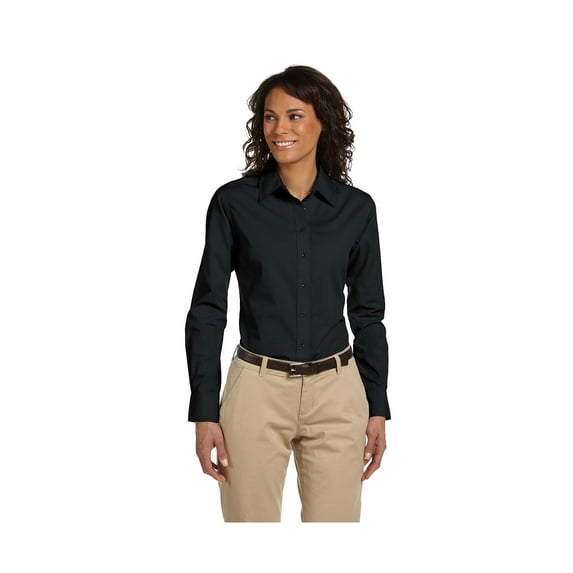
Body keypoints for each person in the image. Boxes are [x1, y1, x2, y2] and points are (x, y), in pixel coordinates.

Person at [184, 65, 391, 522]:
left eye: (295, 116)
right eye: (270, 117)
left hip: (337, 392)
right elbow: (207, 310)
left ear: (323, 122)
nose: (280, 129)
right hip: (255, 391)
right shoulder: (233, 204)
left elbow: (368, 315)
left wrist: (377, 406)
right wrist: (205, 411)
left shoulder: (356, 209)